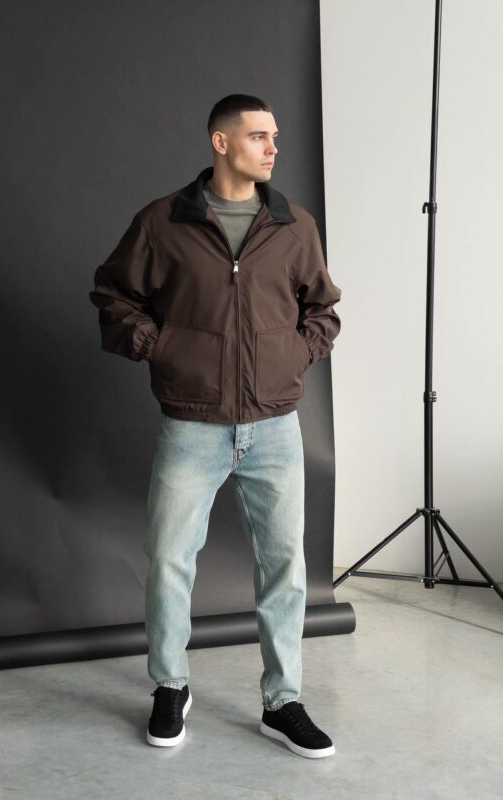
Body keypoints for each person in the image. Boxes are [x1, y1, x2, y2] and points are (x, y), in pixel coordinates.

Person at [89, 94, 342, 759]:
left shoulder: (293, 225)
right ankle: (170, 685)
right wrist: (158, 346)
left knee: (286, 566)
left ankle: (283, 701)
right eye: (259, 136)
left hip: (275, 426)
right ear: (221, 143)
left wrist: (293, 355)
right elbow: (112, 294)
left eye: (275, 136)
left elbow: (323, 309)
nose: (273, 148)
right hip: (192, 424)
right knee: (169, 561)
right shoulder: (164, 222)